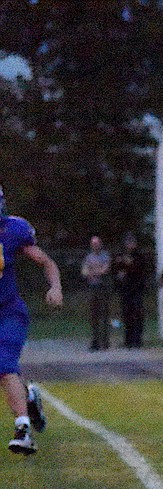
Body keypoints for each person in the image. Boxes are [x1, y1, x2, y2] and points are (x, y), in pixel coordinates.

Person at [0, 184, 63, 455]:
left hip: (9, 311)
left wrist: (55, 287)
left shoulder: (12, 231)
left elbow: (45, 261)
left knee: (3, 364)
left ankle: (23, 429)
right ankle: (30, 399)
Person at [112, 232, 150, 348]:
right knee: (127, 314)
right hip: (125, 289)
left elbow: (140, 269)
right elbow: (116, 269)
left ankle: (137, 339)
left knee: (137, 314)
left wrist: (129, 266)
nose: (130, 245)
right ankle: (128, 340)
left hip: (137, 288)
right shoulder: (120, 255)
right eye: (128, 242)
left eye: (132, 242)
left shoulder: (139, 256)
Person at [80, 235, 112, 351]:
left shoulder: (105, 256)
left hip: (103, 288)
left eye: (97, 243)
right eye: (93, 244)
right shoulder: (88, 257)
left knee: (104, 314)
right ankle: (95, 341)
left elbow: (105, 270)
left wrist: (93, 271)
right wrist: (95, 271)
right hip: (92, 288)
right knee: (93, 315)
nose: (95, 246)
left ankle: (105, 341)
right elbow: (84, 272)